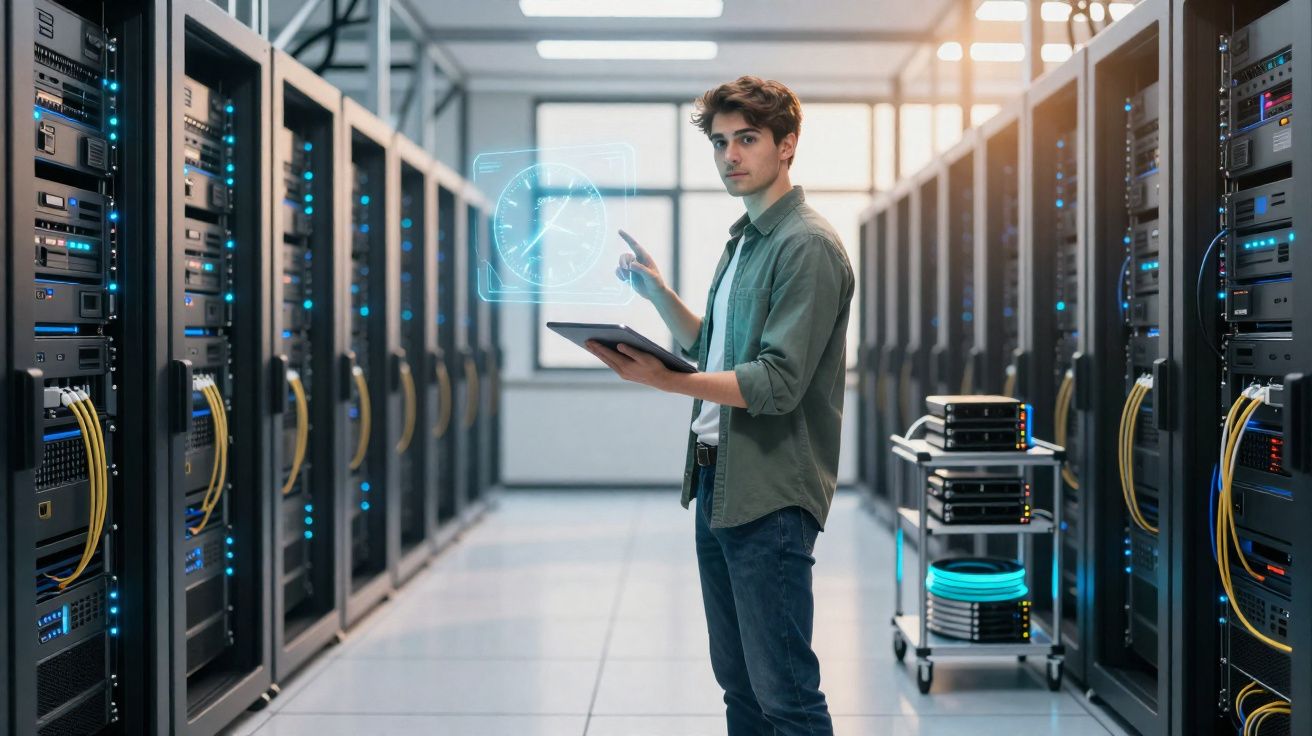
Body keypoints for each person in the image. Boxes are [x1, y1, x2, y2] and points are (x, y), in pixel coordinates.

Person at [586, 75, 853, 736]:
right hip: (719, 481)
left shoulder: (806, 245)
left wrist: (666, 382)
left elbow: (776, 381)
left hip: (770, 493)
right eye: (721, 143)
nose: (731, 156)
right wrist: (656, 295)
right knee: (739, 688)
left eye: (748, 139)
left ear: (786, 146)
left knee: (785, 693)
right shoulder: (746, 241)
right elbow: (714, 346)